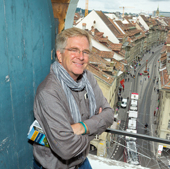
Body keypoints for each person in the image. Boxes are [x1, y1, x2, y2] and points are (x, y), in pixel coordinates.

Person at [33, 27, 114, 169]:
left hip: (81, 160)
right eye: (74, 50)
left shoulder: (88, 78)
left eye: (85, 52)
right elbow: (65, 148)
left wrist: (82, 127)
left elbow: (109, 114)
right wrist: (96, 126)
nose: (81, 57)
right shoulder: (48, 92)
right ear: (60, 55)